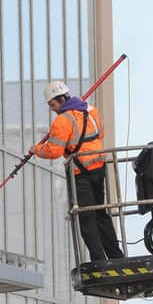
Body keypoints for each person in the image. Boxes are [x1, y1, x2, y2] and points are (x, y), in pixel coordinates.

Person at [29, 81, 124, 262]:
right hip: (98, 167)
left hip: (81, 174)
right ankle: (116, 257)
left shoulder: (62, 120)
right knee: (100, 213)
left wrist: (36, 150)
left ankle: (99, 261)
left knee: (86, 218)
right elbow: (101, 134)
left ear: (60, 99)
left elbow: (54, 150)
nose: (52, 109)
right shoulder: (91, 110)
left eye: (52, 105)